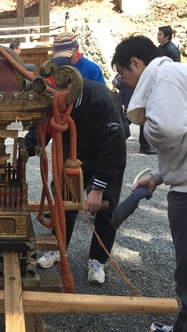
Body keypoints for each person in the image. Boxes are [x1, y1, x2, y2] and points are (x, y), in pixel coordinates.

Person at [111, 34, 187, 332]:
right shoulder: (179, 73)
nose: (125, 82)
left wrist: (147, 124)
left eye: (124, 73)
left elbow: (168, 129)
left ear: (136, 62)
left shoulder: (165, 75)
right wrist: (158, 174)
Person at [26, 55, 128, 285]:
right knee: (64, 203)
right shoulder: (58, 100)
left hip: (106, 152)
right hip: (76, 154)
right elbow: (45, 127)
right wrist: (27, 149)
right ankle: (57, 247)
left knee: (105, 208)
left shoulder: (100, 98)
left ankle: (97, 259)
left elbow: (114, 148)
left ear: (69, 84)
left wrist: (98, 188)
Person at [113, 73, 157, 155]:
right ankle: (145, 146)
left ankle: (113, 140)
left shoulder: (131, 67)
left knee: (127, 119)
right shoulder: (136, 67)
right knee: (140, 117)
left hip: (129, 94)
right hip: (132, 94)